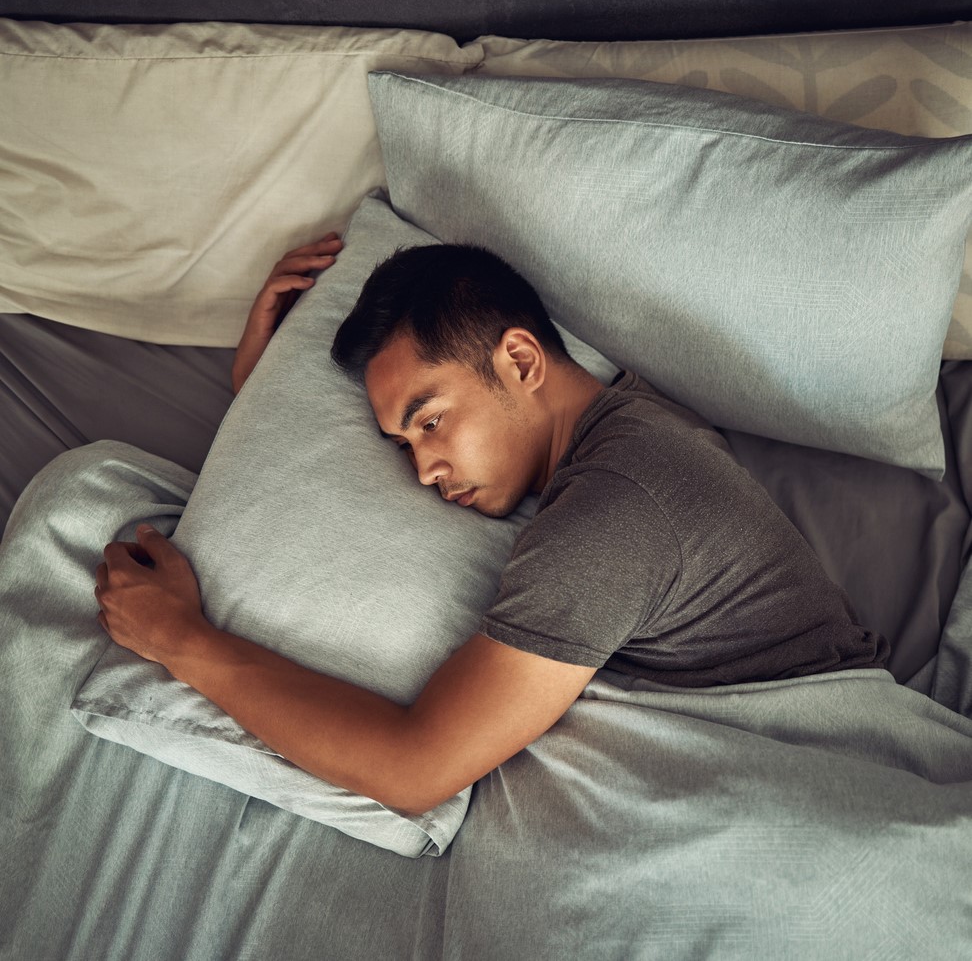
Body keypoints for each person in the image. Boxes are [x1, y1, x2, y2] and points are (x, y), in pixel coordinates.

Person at [94, 233, 889, 816]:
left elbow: (414, 769)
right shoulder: (628, 423)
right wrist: (264, 395)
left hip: (814, 766)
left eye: (431, 421)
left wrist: (181, 641)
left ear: (520, 359)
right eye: (403, 444)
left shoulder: (612, 513)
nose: (424, 471)